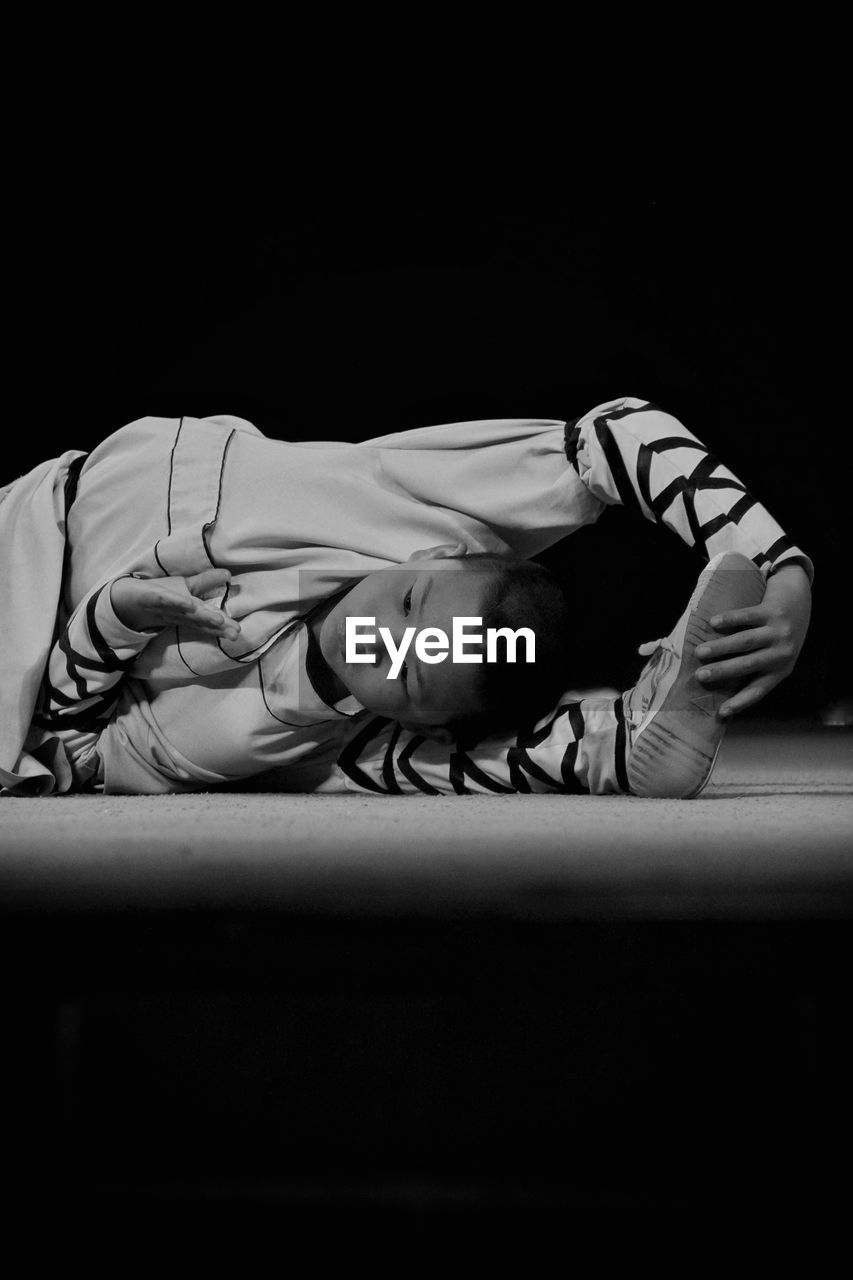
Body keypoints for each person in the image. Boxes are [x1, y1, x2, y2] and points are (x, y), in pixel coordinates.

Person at [0, 397, 813, 798]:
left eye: (414, 673)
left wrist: (106, 625)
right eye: (413, 606)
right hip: (30, 520)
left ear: (418, 714)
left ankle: (613, 745)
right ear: (436, 556)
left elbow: (72, 758)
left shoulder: (255, 740)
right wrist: (777, 564)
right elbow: (614, 435)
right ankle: (608, 745)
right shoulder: (402, 508)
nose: (375, 641)